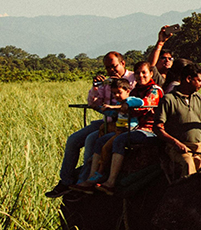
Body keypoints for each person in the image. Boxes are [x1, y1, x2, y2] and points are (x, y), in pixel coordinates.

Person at [44, 51, 135, 197]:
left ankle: (84, 182)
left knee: (91, 140)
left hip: (124, 123)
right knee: (73, 140)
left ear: (122, 64)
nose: (111, 71)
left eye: (114, 66)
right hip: (106, 121)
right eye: (107, 68)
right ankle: (65, 181)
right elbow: (93, 104)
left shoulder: (133, 79)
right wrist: (95, 87)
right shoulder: (106, 82)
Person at [154, 62, 201, 181]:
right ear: (188, 79)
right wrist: (175, 143)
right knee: (188, 165)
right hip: (178, 148)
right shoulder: (169, 99)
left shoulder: (198, 98)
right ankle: (188, 196)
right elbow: (158, 128)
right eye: (199, 81)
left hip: (200, 146)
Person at [97, 61, 165, 193]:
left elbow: (144, 105)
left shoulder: (155, 90)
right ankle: (95, 174)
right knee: (101, 140)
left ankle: (111, 181)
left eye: (144, 72)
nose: (141, 76)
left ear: (151, 74)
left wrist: (124, 107)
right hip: (133, 127)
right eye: (138, 73)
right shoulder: (135, 90)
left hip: (149, 129)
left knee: (120, 140)